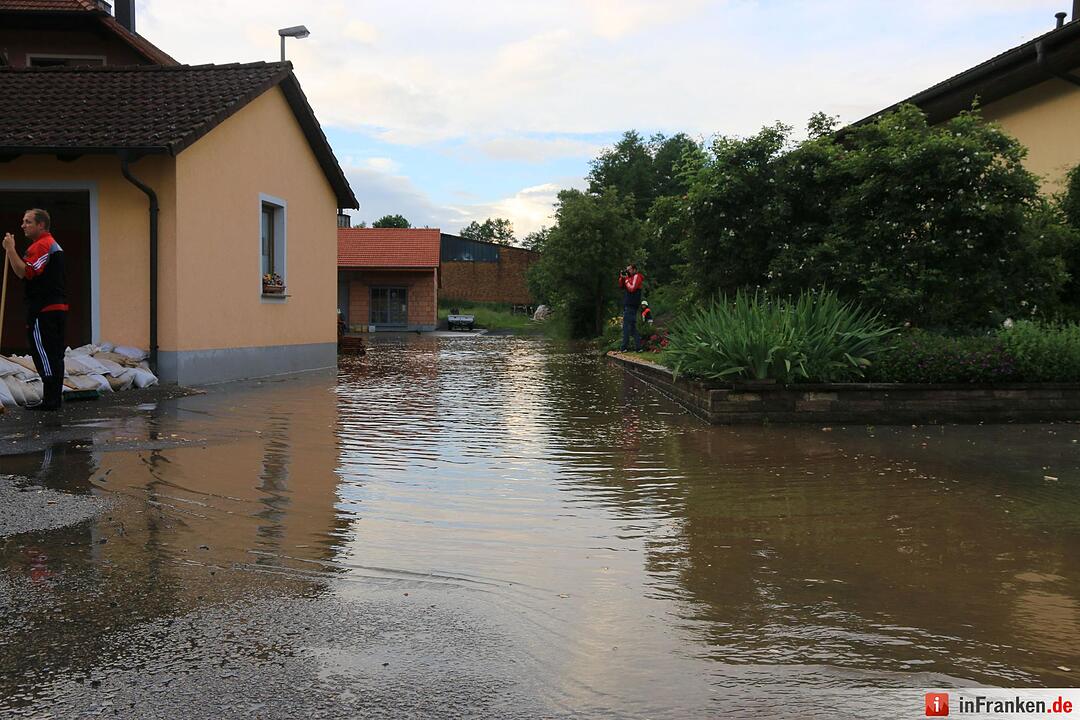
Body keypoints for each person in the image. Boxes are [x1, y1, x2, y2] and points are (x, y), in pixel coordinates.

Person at [2, 209, 67, 411]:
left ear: (41, 225)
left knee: (44, 353)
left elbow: (25, 272)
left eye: (28, 222)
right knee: (55, 354)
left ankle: (50, 401)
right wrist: (11, 253)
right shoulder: (52, 245)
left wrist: (11, 249)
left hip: (43, 309)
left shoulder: (42, 246)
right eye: (23, 221)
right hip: (57, 307)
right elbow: (23, 270)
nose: (23, 225)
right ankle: (53, 398)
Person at [617, 263, 644, 351]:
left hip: (631, 305)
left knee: (626, 326)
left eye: (629, 269)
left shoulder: (637, 276)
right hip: (628, 305)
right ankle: (639, 347)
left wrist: (626, 279)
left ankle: (624, 347)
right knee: (632, 327)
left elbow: (632, 288)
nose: (627, 271)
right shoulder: (629, 278)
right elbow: (621, 286)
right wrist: (622, 277)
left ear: (634, 270)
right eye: (627, 269)